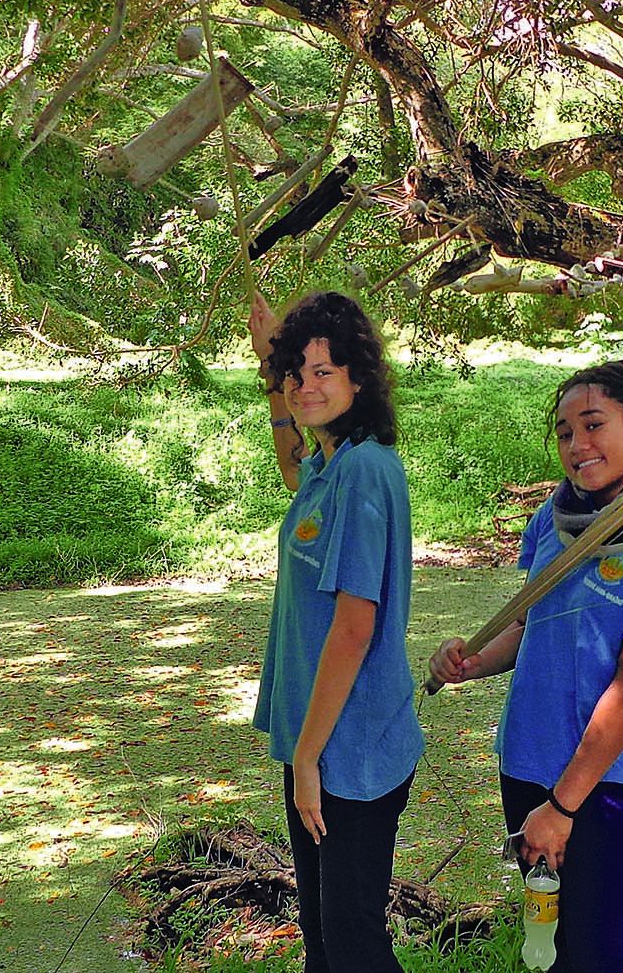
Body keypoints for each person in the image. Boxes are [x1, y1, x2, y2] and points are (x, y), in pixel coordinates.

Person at [429, 360, 623, 973]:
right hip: (528, 758)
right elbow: (527, 627)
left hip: (605, 779)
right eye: (564, 432)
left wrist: (561, 809)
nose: (577, 445)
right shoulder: (555, 518)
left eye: (594, 425)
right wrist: (474, 660)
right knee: (549, 944)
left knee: (597, 950)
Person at [246, 289, 423, 973]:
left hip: (350, 751)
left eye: (323, 370)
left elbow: (354, 628)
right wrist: (271, 370)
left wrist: (308, 760)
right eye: (297, 372)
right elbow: (293, 470)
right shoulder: (331, 461)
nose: (305, 386)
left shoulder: (366, 471)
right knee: (323, 940)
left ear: (358, 378)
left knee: (352, 944)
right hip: (319, 742)